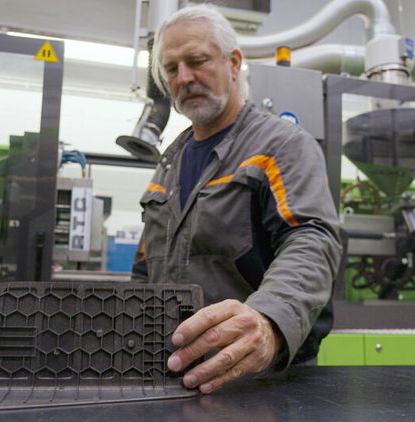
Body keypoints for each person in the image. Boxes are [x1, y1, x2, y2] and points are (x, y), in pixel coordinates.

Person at [132, 4, 342, 394]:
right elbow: (145, 267)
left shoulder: (280, 146)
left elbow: (311, 239)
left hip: (262, 380)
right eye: (172, 69)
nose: (185, 78)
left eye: (197, 61)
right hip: (173, 374)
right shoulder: (170, 162)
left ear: (233, 63)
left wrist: (268, 321)